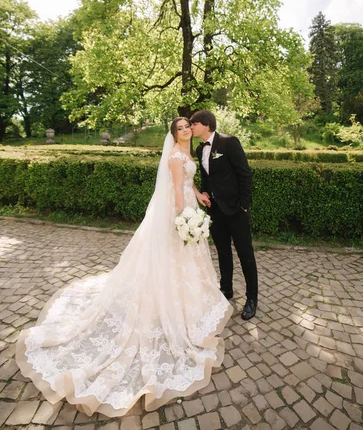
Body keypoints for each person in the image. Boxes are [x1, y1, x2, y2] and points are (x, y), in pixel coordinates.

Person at [15, 118, 232, 418]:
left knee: (187, 263)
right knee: (172, 259)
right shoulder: (174, 156)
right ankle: (166, 302)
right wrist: (184, 218)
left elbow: (187, 182)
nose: (185, 131)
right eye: (180, 128)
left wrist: (198, 195)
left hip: (189, 207)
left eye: (187, 127)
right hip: (178, 212)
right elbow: (174, 189)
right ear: (174, 135)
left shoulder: (188, 154)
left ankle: (187, 300)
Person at [190, 110, 258, 321]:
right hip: (215, 210)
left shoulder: (230, 143)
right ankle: (226, 289)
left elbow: (244, 174)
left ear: (206, 125)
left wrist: (243, 205)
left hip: (236, 210)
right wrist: (204, 194)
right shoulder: (200, 148)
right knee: (222, 251)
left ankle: (252, 298)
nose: (191, 127)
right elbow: (206, 177)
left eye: (194, 124)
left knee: (245, 254)